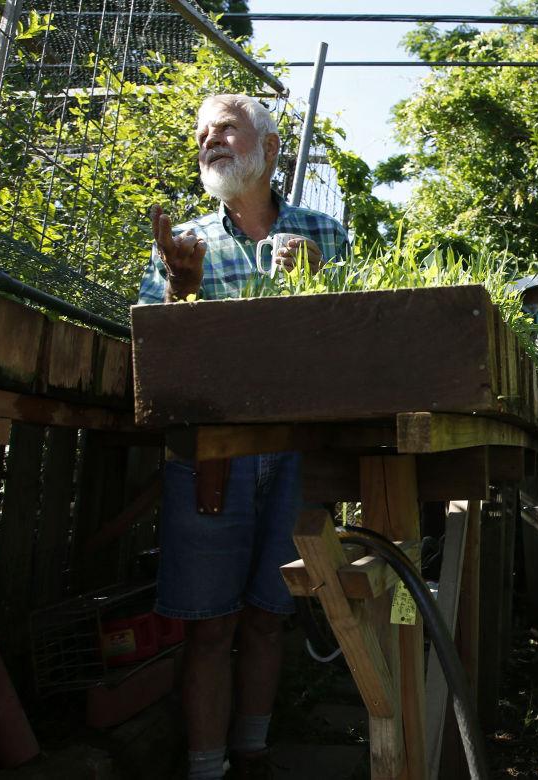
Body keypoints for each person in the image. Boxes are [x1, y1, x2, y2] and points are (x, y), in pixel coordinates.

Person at [137, 93, 348, 780]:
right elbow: (157, 362)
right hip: (209, 456)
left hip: (296, 454)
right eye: (202, 133)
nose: (209, 141)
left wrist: (315, 282)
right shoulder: (183, 242)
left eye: (225, 128)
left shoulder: (325, 233)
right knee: (208, 624)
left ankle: (253, 756)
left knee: (267, 615)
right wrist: (181, 289)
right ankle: (206, 769)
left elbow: (360, 347)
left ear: (271, 147)